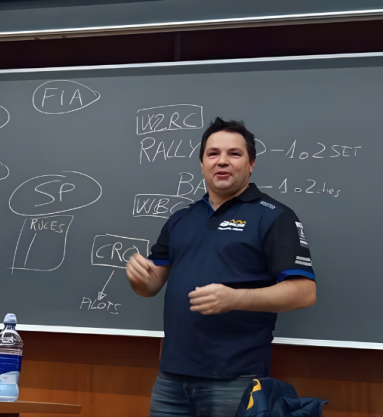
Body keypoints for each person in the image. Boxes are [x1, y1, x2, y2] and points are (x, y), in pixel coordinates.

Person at [126, 117, 317, 417]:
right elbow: (150, 287)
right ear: (202, 163)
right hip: (171, 378)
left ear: (251, 163)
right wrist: (140, 278)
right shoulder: (181, 219)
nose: (222, 161)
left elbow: (305, 292)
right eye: (213, 153)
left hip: (236, 378)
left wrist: (234, 298)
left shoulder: (273, 216)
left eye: (234, 154)